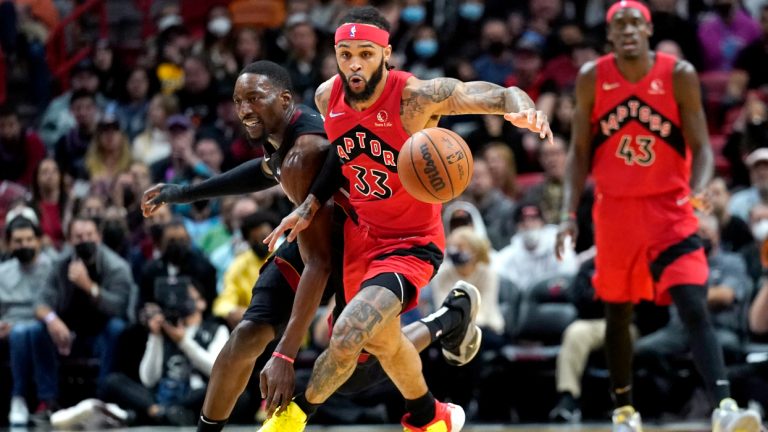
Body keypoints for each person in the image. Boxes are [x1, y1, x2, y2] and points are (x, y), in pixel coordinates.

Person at [140, 60, 483, 432]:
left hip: (355, 248)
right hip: (314, 241)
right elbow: (266, 169)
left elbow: (319, 262)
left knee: (353, 373)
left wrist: (285, 354)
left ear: (284, 99)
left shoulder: (305, 152)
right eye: (239, 100)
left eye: (254, 98)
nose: (244, 110)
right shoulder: (284, 138)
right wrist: (186, 192)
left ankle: (448, 319)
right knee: (247, 335)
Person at [261, 6, 551, 432]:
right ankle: (432, 406)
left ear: (386, 54)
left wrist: (517, 103)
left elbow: (484, 93)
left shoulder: (415, 96)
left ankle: (292, 416)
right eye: (345, 54)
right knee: (365, 360)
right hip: (363, 236)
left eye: (365, 53)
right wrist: (308, 206)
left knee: (348, 332)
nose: (354, 63)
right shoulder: (328, 97)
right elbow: (340, 158)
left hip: (412, 241)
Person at [554, 2, 761, 431]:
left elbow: (702, 146)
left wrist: (701, 185)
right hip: (615, 212)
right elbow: (577, 153)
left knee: (692, 303)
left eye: (635, 23)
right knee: (617, 312)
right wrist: (568, 213)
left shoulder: (678, 74)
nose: (627, 30)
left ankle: (724, 407)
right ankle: (625, 411)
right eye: (618, 25)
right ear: (609, 36)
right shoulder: (593, 77)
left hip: (670, 209)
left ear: (648, 30)